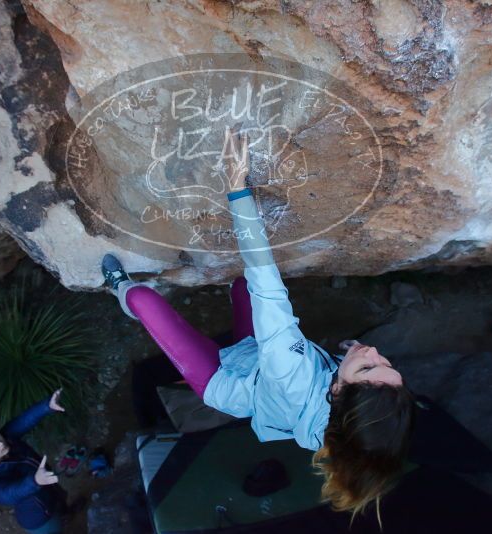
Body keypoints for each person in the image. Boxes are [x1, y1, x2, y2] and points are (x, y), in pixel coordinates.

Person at [101, 127, 416, 521]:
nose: (374, 353)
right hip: (261, 363)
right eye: (387, 364)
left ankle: (116, 288)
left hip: (224, 380)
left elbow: (265, 274)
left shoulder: (292, 370)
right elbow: (361, 415)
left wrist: (237, 189)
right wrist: (354, 357)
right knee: (240, 288)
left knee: (147, 299)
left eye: (368, 367)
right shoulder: (346, 430)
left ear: (335, 391)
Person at [0, 389, 69, 533]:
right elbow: (10, 493)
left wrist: (47, 406)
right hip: (39, 517)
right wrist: (35, 481)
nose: (1, 442)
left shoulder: (6, 437)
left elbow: (23, 421)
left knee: (61, 505)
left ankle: (67, 514)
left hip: (48, 488)